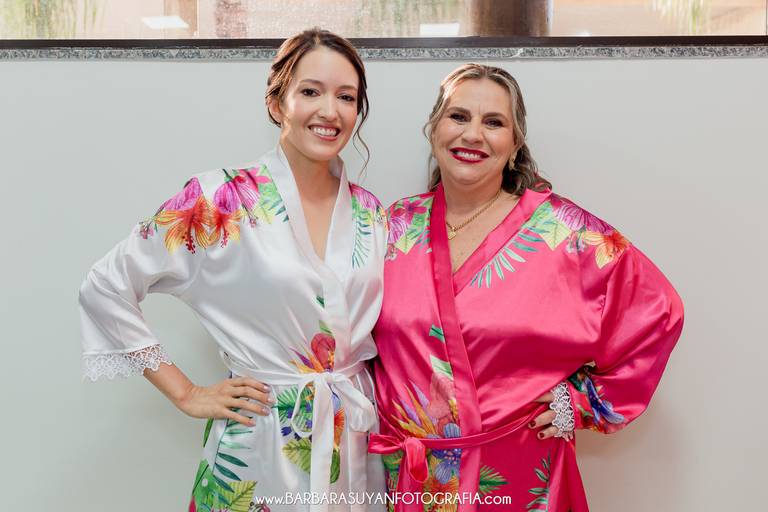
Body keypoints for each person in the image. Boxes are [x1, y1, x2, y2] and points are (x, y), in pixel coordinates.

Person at [78, 28, 387, 512]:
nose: (330, 111)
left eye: (346, 97)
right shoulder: (218, 199)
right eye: (311, 91)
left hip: (353, 441)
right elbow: (105, 287)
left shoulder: (372, 213)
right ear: (276, 102)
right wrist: (186, 393)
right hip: (258, 441)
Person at [369, 63, 684, 511]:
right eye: (458, 116)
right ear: (434, 128)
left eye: (494, 122)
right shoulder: (392, 227)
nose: (472, 134)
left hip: (519, 474)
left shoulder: (563, 233)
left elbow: (657, 312)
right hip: (415, 481)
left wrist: (581, 402)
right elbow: (333, 318)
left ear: (515, 144)